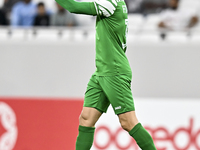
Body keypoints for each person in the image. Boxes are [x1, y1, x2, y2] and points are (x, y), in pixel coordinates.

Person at [55, 0, 157, 149]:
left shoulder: (111, 2)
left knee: (128, 122)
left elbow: (73, 7)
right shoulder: (116, 3)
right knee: (86, 119)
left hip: (114, 72)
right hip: (102, 72)